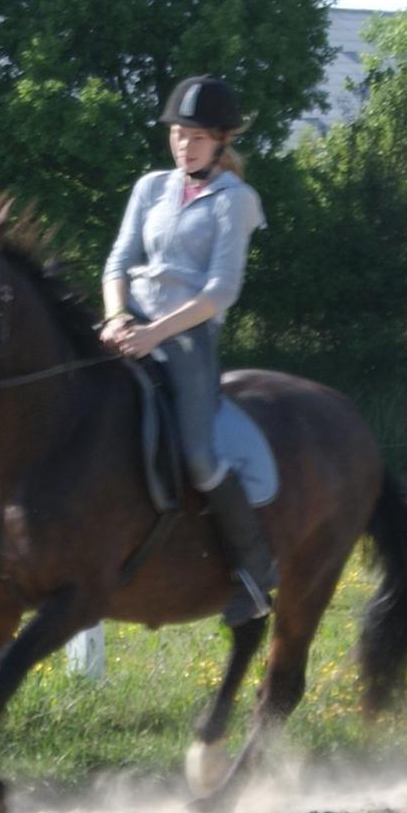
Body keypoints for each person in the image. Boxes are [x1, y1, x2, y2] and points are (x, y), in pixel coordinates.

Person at [100, 75, 275, 626]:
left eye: (197, 136)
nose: (184, 144)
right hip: (127, 326)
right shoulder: (150, 188)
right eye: (179, 133)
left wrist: (156, 333)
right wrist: (116, 316)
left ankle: (254, 567)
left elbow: (221, 291)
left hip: (187, 336)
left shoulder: (236, 200)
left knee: (199, 456)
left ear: (222, 140)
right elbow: (116, 262)